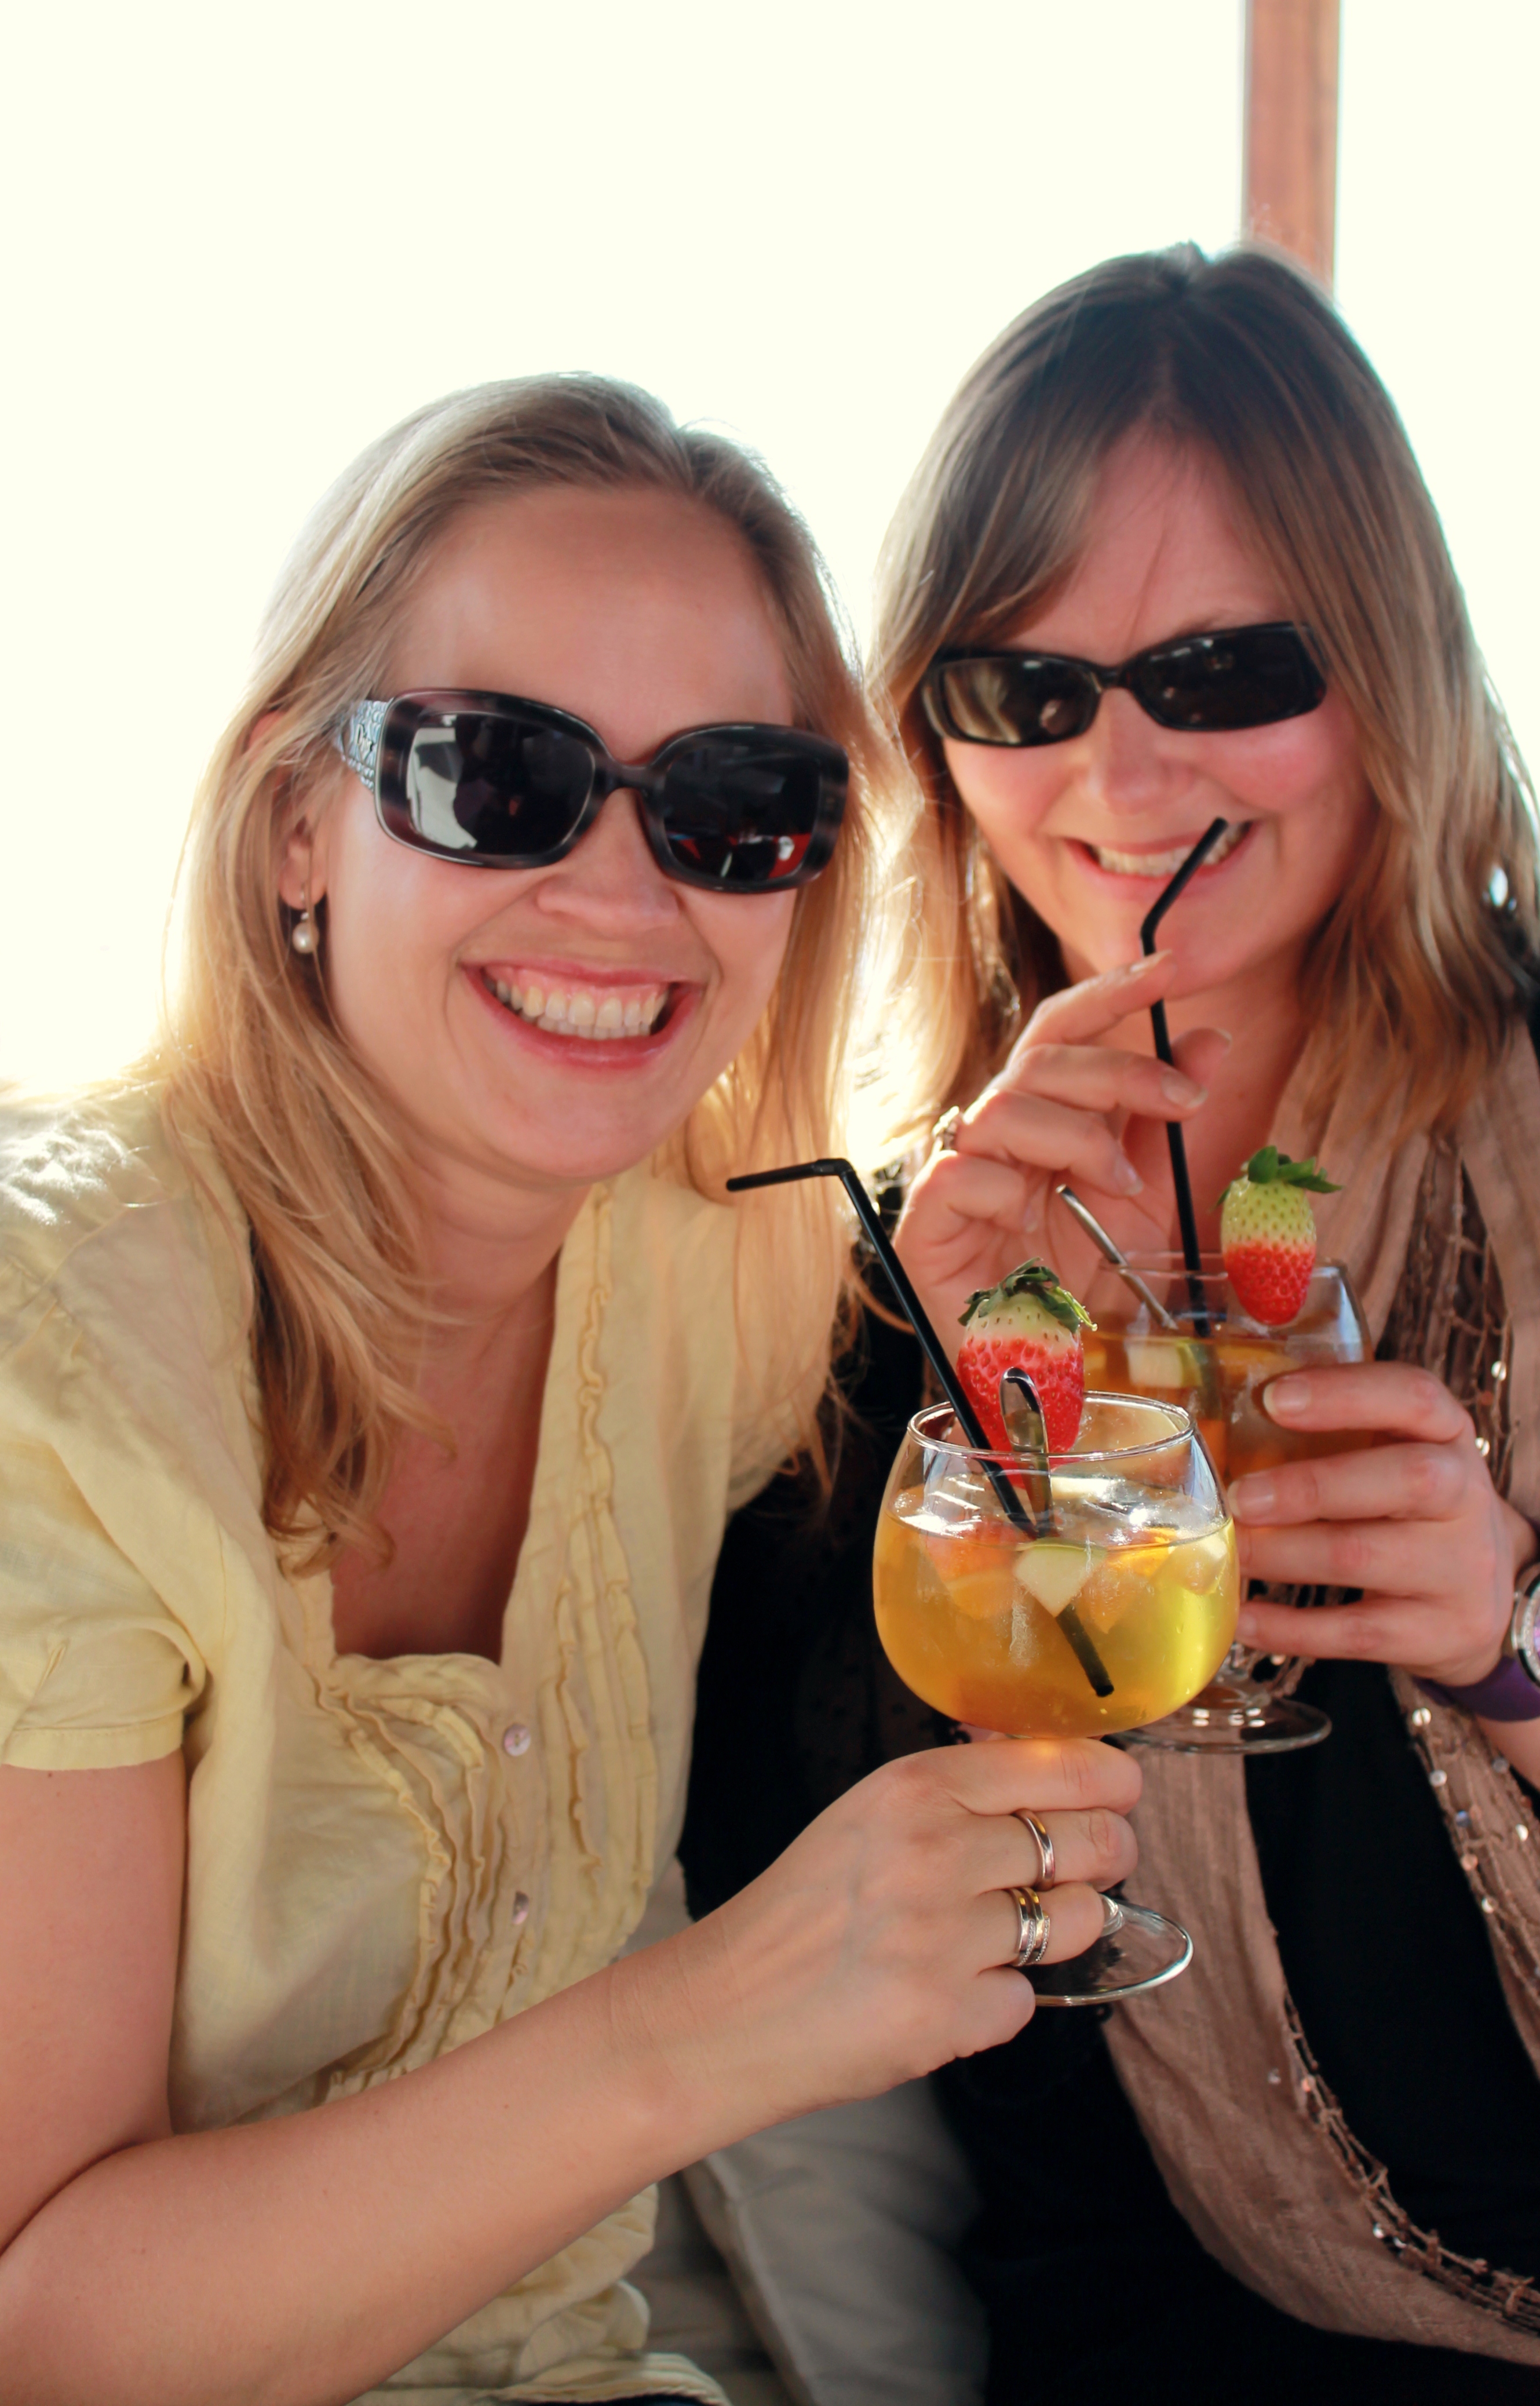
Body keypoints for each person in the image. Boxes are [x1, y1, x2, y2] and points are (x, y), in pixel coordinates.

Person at [0, 376, 1143, 2406]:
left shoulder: (719, 1270)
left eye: (732, 805)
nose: (625, 896)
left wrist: (963, 1319)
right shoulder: (51, 1369)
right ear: (294, 822)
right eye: (497, 775)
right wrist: (717, 2019)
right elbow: (41, 2328)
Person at [683, 248, 1540, 2397]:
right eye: (1025, 692)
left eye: (1221, 669)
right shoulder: (884, 1259)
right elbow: (870, 1941)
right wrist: (964, 1382)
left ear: (1387, 666)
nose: (1121, 780)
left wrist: (1508, 1646)